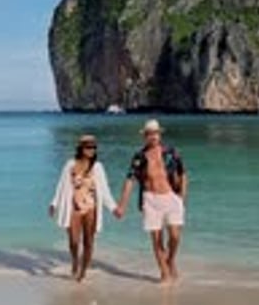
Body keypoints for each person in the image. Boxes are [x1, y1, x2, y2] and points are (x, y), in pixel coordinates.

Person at [116, 119, 188, 283]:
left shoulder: (172, 152)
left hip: (171, 197)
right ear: (145, 137)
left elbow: (183, 174)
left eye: (155, 133)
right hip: (151, 199)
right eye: (149, 134)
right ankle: (164, 274)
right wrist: (122, 205)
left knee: (175, 236)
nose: (153, 137)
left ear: (159, 135)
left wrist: (182, 198)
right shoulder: (139, 157)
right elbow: (130, 180)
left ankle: (170, 260)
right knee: (157, 239)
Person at [49, 134, 119, 282]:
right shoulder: (70, 164)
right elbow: (61, 186)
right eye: (88, 147)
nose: (91, 150)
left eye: (94, 147)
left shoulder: (98, 167)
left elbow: (105, 191)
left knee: (88, 241)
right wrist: (54, 203)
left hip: (91, 208)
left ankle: (83, 271)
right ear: (81, 148)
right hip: (74, 207)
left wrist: (113, 208)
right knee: (74, 241)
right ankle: (75, 260)